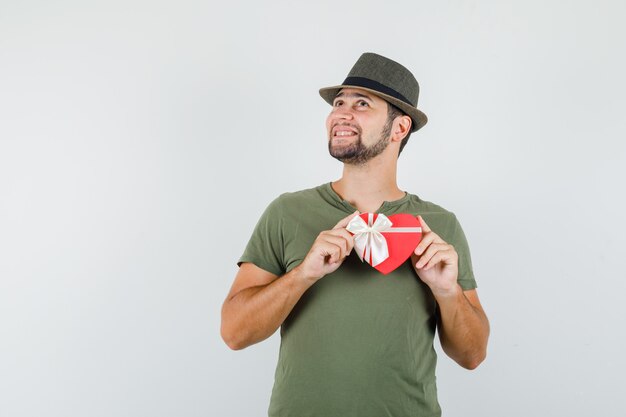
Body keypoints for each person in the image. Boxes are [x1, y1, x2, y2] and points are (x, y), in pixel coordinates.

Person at [221, 52, 490, 416]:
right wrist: (304, 274)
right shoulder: (287, 213)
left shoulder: (438, 226)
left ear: (400, 128)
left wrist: (447, 291)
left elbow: (473, 356)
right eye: (339, 103)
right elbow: (234, 333)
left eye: (362, 104)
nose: (341, 114)